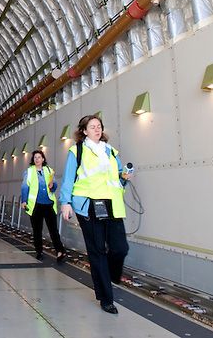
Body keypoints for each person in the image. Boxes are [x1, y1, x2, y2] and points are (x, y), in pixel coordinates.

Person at [59, 115, 132, 314]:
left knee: (120, 248)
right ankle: (106, 298)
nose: (97, 129)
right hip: (88, 205)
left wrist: (124, 177)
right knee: (97, 251)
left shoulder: (111, 151)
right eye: (92, 127)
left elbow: (117, 178)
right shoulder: (78, 151)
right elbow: (68, 178)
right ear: (84, 131)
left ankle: (107, 275)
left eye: (99, 126)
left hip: (112, 205)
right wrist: (65, 202)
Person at [20, 149, 66, 263]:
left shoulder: (49, 170)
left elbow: (54, 186)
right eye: (35, 157)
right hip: (36, 206)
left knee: (53, 230)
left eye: (39, 157)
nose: (37, 159)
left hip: (49, 205)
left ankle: (60, 251)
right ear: (33, 160)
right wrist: (24, 200)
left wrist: (52, 185)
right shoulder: (29, 171)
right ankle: (39, 251)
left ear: (43, 159)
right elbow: (25, 187)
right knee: (37, 230)